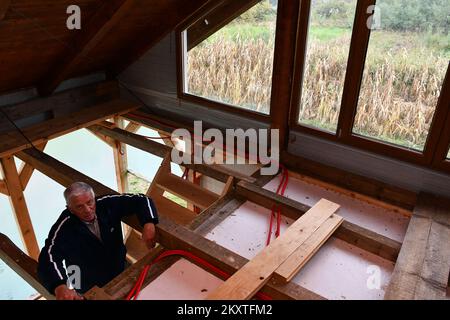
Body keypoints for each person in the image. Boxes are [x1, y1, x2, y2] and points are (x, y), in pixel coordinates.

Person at [37, 182, 159, 300]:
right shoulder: (63, 227)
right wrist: (59, 286)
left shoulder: (106, 203)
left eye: (90, 202)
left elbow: (141, 199)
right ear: (70, 209)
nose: (87, 210)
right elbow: (48, 257)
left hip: (119, 267)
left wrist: (149, 222)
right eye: (79, 206)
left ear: (94, 198)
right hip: (86, 284)